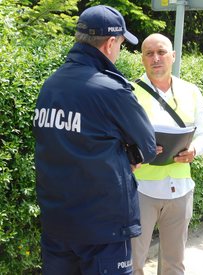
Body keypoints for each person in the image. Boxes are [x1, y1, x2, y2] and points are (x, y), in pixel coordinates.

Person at [33, 5, 157, 275]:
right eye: (121, 45)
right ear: (110, 43)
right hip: (104, 229)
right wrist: (129, 156)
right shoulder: (111, 90)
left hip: (57, 223)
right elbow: (148, 148)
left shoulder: (50, 85)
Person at [131, 33, 203, 275]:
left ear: (173, 56)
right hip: (140, 189)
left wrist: (194, 150)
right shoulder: (129, 91)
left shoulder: (192, 91)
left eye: (162, 52)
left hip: (181, 189)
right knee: (133, 262)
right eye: (149, 53)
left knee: (174, 265)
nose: (156, 58)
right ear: (143, 59)